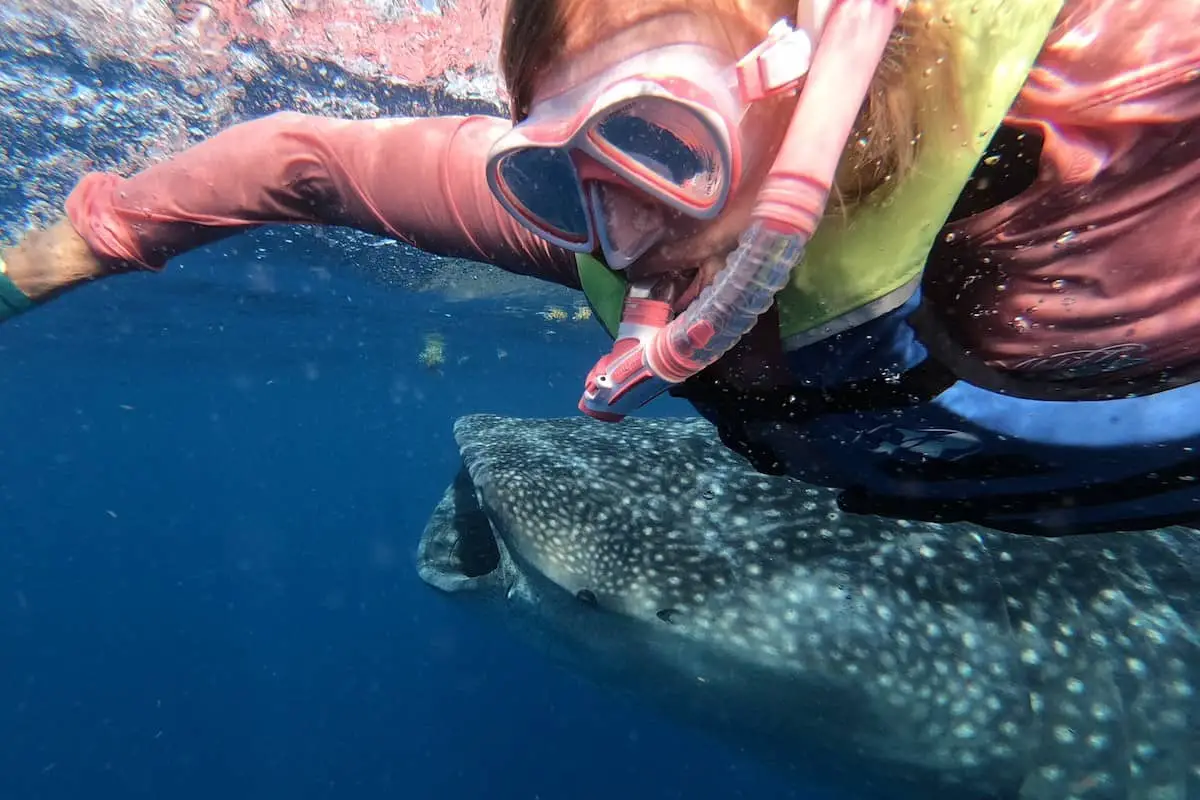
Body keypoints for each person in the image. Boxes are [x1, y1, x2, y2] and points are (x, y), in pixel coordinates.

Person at [4, 0, 1200, 536]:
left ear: (813, 81)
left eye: (655, 137)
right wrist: (53, 258)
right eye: (552, 171)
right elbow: (305, 159)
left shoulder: (1117, 106)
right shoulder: (587, 227)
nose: (617, 225)